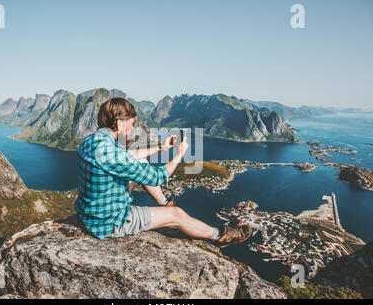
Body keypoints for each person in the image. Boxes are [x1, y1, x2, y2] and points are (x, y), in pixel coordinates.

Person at [75, 97, 252, 247]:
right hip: (110, 222)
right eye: (130, 124)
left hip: (92, 212)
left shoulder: (92, 141)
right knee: (177, 215)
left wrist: (161, 147)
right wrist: (178, 155)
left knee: (140, 161)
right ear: (119, 123)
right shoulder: (112, 154)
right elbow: (158, 177)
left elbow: (129, 155)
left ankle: (164, 202)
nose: (132, 128)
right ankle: (220, 235)